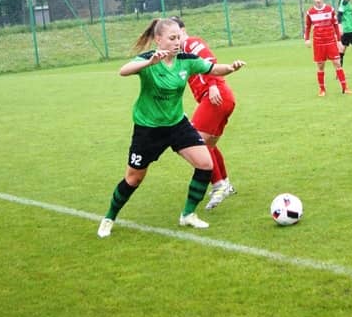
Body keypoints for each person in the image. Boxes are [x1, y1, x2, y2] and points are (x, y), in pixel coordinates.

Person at [97, 18, 246, 237]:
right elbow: (124, 70)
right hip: (148, 129)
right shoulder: (149, 59)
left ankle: (188, 215)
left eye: (178, 37)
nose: (177, 42)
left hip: (177, 125)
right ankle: (109, 217)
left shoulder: (186, 60)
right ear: (158, 39)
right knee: (133, 179)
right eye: (172, 38)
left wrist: (231, 68)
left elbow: (213, 68)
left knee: (205, 164)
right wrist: (148, 63)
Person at [171, 16, 237, 210]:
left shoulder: (191, 43)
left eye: (176, 33)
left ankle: (218, 186)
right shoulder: (180, 55)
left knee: (196, 143)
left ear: (183, 30)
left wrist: (213, 85)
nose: (174, 38)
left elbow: (210, 60)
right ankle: (225, 183)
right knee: (209, 145)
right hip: (221, 99)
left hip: (216, 96)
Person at [304, 0, 352, 96]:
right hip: (318, 43)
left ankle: (345, 88)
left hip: (330, 41)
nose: (318, 0)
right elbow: (307, 27)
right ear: (313, 0)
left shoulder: (330, 9)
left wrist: (339, 41)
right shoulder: (310, 12)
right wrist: (307, 39)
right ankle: (322, 90)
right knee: (320, 66)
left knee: (337, 63)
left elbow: (335, 25)